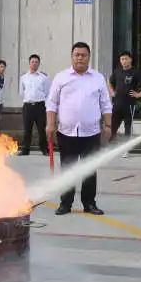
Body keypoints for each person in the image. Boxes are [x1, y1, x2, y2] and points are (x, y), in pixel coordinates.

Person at [47, 41, 112, 216]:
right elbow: (52, 103)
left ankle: (89, 203)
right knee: (68, 168)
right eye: (77, 55)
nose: (80, 58)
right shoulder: (61, 77)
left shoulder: (97, 78)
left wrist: (108, 125)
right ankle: (65, 204)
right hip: (66, 132)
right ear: (72, 56)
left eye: (83, 55)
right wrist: (50, 124)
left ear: (89, 57)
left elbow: (106, 104)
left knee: (90, 169)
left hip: (91, 132)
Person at [110, 51, 141, 139]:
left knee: (128, 129)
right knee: (112, 127)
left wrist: (140, 94)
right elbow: (109, 81)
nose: (124, 61)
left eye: (126, 59)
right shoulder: (117, 71)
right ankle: (109, 147)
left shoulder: (136, 72)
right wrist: (112, 92)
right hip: (117, 104)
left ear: (130, 60)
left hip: (129, 105)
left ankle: (126, 150)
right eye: (122, 59)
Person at [19, 53, 51, 156]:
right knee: (27, 129)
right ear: (29, 63)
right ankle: (25, 150)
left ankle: (44, 149)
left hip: (40, 106)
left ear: (39, 64)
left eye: (36, 62)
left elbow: (47, 92)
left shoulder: (44, 77)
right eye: (32, 62)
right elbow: (21, 92)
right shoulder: (24, 77)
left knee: (41, 129)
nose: (34, 64)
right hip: (28, 106)